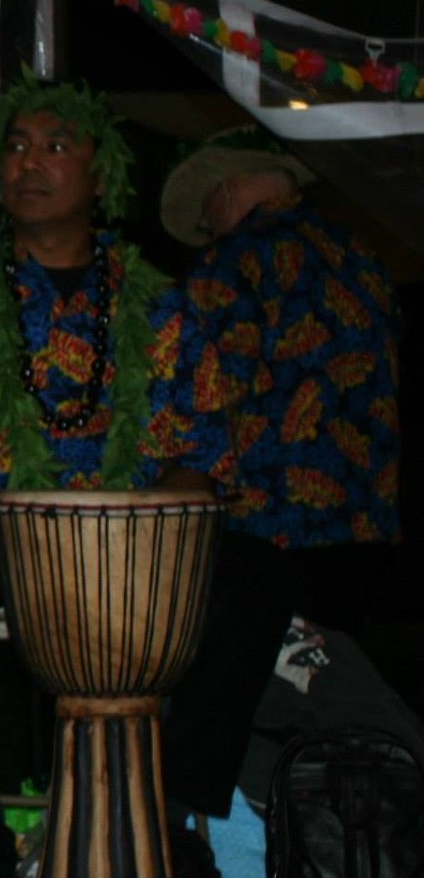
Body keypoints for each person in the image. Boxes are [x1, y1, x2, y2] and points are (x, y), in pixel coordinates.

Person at [0, 76, 287, 878]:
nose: (30, 162)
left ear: (101, 176)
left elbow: (202, 458)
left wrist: (142, 515)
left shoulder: (161, 306)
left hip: (130, 543)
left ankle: (171, 807)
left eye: (56, 146)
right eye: (16, 146)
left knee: (254, 570)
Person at [162, 125, 402, 632]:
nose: (209, 230)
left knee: (264, 675)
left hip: (266, 530)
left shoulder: (228, 261)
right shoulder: (363, 259)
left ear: (226, 191)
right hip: (367, 526)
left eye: (207, 219)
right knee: (342, 671)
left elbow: (208, 394)